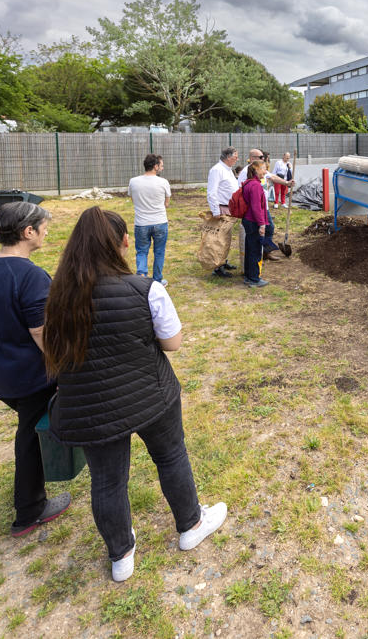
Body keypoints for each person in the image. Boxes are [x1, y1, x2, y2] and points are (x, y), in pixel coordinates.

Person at [42, 207, 227, 582]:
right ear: (125, 243)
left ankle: (120, 555)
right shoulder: (147, 289)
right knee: (171, 455)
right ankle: (191, 525)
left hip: (90, 406)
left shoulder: (57, 296)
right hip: (150, 395)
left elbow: (52, 348)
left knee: (107, 481)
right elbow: (172, 343)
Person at [0, 202, 71, 537]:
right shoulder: (29, 276)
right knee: (31, 438)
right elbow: (41, 332)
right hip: (27, 378)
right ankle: (29, 511)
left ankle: (31, 503)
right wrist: (62, 371)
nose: (46, 231)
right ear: (28, 232)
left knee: (29, 431)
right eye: (43, 227)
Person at [128, 154, 171, 286]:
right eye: (161, 166)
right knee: (159, 252)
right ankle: (157, 280)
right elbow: (167, 204)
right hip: (160, 222)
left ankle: (142, 278)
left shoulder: (133, 181)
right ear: (155, 166)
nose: (162, 168)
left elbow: (133, 199)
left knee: (141, 251)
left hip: (141, 223)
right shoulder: (163, 182)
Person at [206, 147, 241, 278]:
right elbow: (211, 192)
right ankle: (217, 267)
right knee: (218, 239)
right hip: (221, 209)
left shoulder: (228, 170)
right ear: (228, 157)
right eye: (235, 157)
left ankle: (223, 261)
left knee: (226, 237)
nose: (237, 159)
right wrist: (216, 211)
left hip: (229, 208)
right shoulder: (216, 170)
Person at [241, 161, 271, 287]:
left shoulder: (248, 183)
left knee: (249, 249)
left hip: (248, 221)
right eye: (264, 169)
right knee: (255, 250)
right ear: (257, 170)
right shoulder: (255, 186)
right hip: (254, 222)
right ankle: (254, 279)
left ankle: (249, 276)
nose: (266, 171)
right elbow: (256, 207)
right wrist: (262, 225)